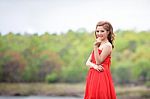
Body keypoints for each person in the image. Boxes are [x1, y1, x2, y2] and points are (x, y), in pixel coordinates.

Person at [84, 21, 117, 99]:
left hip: (101, 75)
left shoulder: (107, 45)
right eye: (97, 31)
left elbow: (99, 61)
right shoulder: (99, 44)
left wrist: (95, 47)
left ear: (108, 32)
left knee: (100, 95)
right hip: (93, 74)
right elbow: (87, 62)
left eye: (102, 31)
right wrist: (95, 66)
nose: (99, 33)